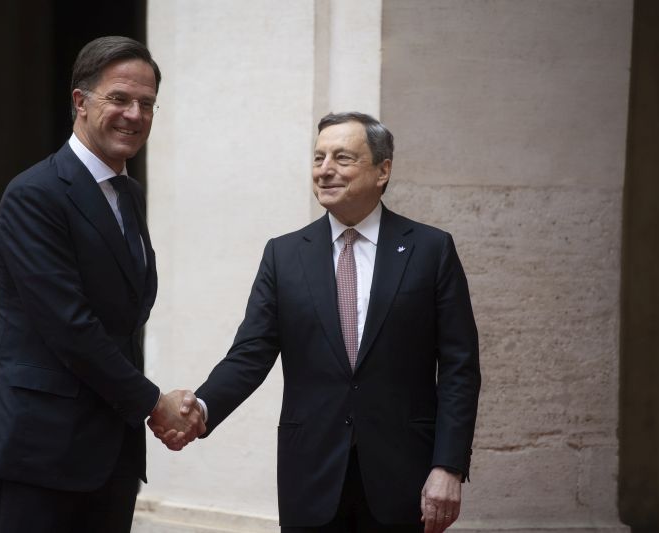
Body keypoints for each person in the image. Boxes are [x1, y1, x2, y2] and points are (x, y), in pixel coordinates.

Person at [154, 112, 480, 532]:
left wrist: (448, 466)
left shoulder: (431, 250)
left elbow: (459, 368)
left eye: (342, 158)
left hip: (405, 476)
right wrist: (199, 408)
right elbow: (250, 355)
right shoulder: (284, 255)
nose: (324, 170)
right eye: (318, 157)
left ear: (382, 170)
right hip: (310, 475)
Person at [0, 36, 204, 533]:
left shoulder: (127, 194)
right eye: (119, 98)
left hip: (109, 454)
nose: (134, 114)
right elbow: (70, 326)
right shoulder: (34, 194)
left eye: (146, 103)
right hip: (40, 453)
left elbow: (125, 317)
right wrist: (153, 403)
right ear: (80, 101)